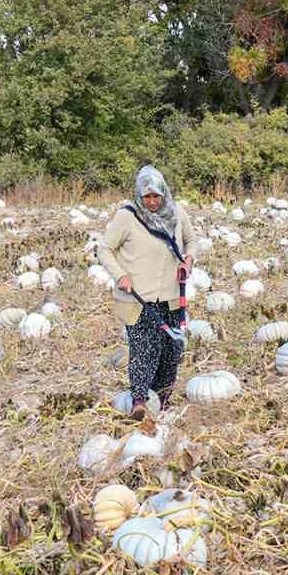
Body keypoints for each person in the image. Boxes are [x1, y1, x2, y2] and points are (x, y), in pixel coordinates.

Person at [98, 165, 194, 420]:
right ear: (139, 196)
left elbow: (192, 239)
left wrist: (189, 259)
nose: (151, 202)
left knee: (170, 350)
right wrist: (120, 275)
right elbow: (104, 249)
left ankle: (162, 400)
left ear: (164, 194)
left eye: (156, 196)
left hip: (171, 295)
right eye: (146, 197)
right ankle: (140, 402)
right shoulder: (127, 217)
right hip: (138, 297)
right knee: (144, 348)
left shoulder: (176, 213)